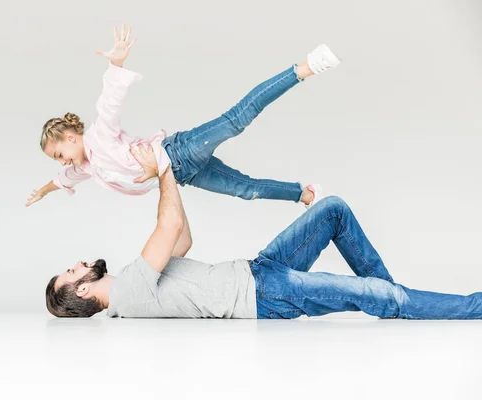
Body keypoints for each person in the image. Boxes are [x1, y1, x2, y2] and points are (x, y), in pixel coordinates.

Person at [44, 144, 482, 320]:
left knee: (332, 210)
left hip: (258, 270)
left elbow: (181, 240)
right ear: (82, 291)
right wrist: (160, 167)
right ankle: (464, 307)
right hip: (263, 294)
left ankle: (393, 299)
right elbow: (170, 223)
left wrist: (171, 178)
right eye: (71, 271)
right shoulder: (128, 293)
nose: (78, 264)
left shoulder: (134, 278)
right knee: (378, 296)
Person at [26, 24, 342, 210]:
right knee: (246, 190)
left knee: (236, 120)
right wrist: (42, 191)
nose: (62, 161)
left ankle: (304, 68)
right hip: (182, 174)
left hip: (180, 151)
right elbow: (64, 179)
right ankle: (303, 193)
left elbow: (109, 103)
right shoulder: (87, 166)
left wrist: (116, 66)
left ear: (70, 136)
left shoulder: (98, 137)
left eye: (59, 153)